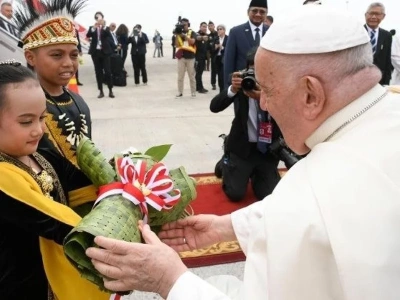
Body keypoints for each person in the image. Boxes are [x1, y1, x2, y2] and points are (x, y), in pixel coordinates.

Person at [86, 6, 400, 300]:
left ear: (310, 94)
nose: (263, 104)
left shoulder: (315, 195)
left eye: (269, 92)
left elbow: (307, 218)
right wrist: (226, 228)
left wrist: (169, 279)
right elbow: (297, 219)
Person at [0, 60, 109, 299]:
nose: (39, 130)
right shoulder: (2, 177)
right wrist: (115, 245)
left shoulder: (41, 154)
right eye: (26, 121)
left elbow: (84, 187)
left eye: (42, 118)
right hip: (24, 287)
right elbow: (56, 222)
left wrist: (125, 190)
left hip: (58, 277)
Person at [14, 0, 93, 168]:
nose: (68, 63)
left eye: (73, 55)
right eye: (57, 55)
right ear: (30, 57)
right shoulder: (23, 107)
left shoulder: (78, 101)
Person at [211, 47, 281, 202]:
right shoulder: (242, 86)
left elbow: (291, 111)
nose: (256, 79)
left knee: (268, 196)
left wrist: (264, 97)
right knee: (235, 194)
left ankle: (257, 174)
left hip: (266, 151)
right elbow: (214, 107)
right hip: (242, 149)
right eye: (253, 72)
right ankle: (225, 163)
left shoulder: (278, 86)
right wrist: (232, 89)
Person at [223, 0, 268, 89]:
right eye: (254, 11)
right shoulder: (236, 32)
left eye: (262, 12)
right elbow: (229, 61)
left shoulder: (271, 32)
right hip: (242, 86)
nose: (258, 14)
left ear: (266, 14)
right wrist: (229, 87)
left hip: (264, 88)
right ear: (248, 12)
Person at [86, 11, 116, 98]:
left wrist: (103, 26)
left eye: (100, 17)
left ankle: (110, 90)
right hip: (95, 53)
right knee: (98, 72)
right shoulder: (92, 27)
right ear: (95, 19)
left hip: (105, 52)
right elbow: (88, 35)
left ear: (103, 18)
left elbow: (108, 36)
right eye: (97, 18)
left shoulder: (106, 28)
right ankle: (101, 91)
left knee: (108, 71)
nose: (99, 19)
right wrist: (94, 28)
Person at [364, 2, 392, 85]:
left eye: (377, 14)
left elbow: (387, 60)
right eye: (371, 13)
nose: (373, 17)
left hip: (380, 81)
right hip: (359, 81)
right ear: (365, 15)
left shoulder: (387, 35)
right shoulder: (358, 32)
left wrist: (386, 82)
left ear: (383, 16)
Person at [175, 17, 197, 98]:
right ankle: (180, 92)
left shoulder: (192, 32)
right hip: (181, 57)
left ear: (188, 24)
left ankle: (193, 92)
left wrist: (184, 35)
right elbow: (177, 45)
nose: (183, 26)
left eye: (185, 24)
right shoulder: (179, 33)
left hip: (191, 57)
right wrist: (178, 34)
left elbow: (192, 41)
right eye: (182, 24)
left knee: (191, 76)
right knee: (180, 76)